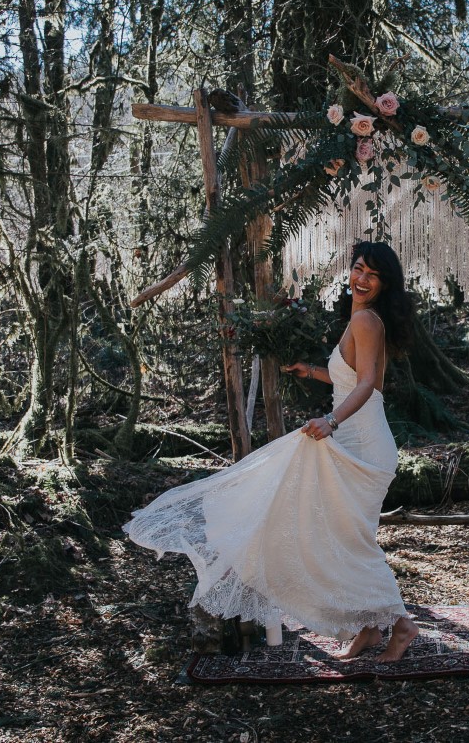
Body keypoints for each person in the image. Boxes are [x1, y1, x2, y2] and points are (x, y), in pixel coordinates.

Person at [124, 241, 419, 663]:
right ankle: (369, 627)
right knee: (348, 536)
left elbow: (370, 383)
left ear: (384, 284)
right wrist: (311, 370)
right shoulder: (360, 317)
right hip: (352, 440)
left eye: (372, 275)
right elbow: (349, 378)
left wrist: (331, 421)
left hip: (364, 446)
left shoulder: (368, 321)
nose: (361, 279)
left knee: (353, 541)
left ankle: (401, 624)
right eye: (357, 269)